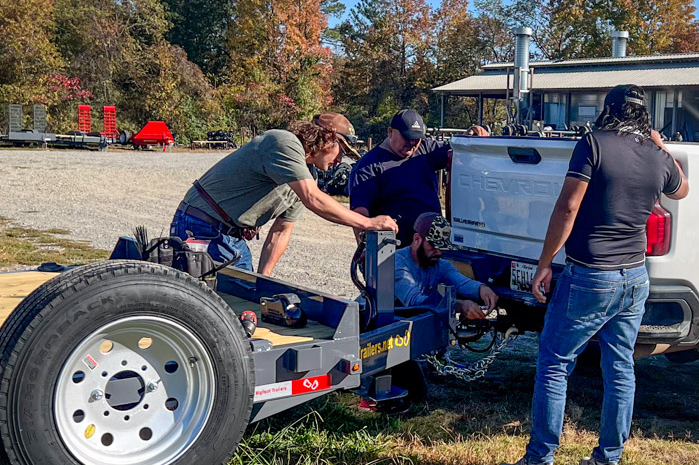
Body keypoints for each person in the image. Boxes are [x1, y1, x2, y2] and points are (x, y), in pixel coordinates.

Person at [500, 85, 690, 465]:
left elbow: (568, 207)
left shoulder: (593, 145)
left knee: (554, 362)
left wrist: (546, 262)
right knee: (620, 366)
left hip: (590, 274)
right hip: (635, 277)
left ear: (609, 110)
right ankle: (607, 463)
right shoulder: (657, 157)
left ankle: (539, 462)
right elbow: (682, 189)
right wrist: (660, 146)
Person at [170, 113, 397, 276]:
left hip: (226, 235)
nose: (341, 160)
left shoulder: (307, 175)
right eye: (342, 150)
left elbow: (281, 230)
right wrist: (368, 223)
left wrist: (264, 279)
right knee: (223, 309)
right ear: (327, 138)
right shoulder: (283, 143)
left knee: (245, 298)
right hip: (202, 227)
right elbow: (313, 199)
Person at [349, 109, 450, 246]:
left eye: (417, 139)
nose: (412, 143)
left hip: (432, 247)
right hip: (396, 250)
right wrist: (365, 249)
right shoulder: (368, 167)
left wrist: (473, 135)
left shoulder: (426, 150)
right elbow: (360, 214)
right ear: (390, 132)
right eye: (407, 137)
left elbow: (457, 152)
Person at [394, 212, 499, 317]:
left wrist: (481, 289)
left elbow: (461, 283)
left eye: (442, 247)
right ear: (417, 239)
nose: (439, 252)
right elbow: (415, 302)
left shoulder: (439, 264)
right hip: (388, 327)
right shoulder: (397, 263)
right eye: (434, 246)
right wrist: (458, 306)